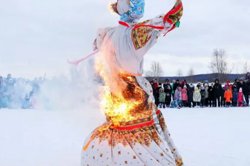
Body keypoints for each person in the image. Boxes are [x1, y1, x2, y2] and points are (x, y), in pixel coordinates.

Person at [81, 0, 184, 166]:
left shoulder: (107, 35)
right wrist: (172, 18)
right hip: (133, 91)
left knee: (119, 128)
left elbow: (97, 48)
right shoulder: (133, 34)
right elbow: (167, 20)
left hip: (114, 89)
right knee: (140, 132)